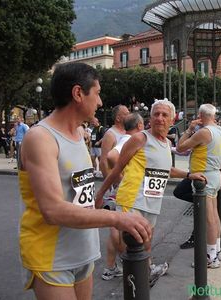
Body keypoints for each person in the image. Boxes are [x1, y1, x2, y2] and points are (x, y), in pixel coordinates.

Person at [18, 62, 151, 299]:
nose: (100, 102)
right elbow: (53, 210)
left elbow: (81, 189)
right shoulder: (40, 138)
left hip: (84, 253)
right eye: (97, 93)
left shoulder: (80, 134)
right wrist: (117, 217)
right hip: (52, 257)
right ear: (78, 93)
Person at [96, 99, 206, 279]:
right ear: (150, 118)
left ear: (172, 120)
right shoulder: (140, 138)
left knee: (146, 243)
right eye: (156, 114)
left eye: (164, 115)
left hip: (152, 200)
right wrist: (100, 194)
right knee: (132, 242)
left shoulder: (164, 143)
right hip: (133, 197)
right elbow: (117, 166)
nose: (160, 118)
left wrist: (188, 175)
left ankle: (144, 274)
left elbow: (166, 170)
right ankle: (135, 279)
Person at [177, 104, 221, 268]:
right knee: (215, 216)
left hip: (203, 177)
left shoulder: (203, 132)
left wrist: (188, 129)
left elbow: (180, 147)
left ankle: (210, 257)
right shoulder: (220, 131)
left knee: (209, 219)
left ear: (200, 115)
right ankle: (216, 250)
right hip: (215, 175)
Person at [101, 112, 145, 281]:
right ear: (139, 126)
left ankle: (110, 267)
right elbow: (111, 156)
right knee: (118, 228)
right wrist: (122, 177)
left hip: (120, 188)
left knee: (115, 226)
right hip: (125, 189)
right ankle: (132, 266)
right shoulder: (129, 140)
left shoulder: (124, 138)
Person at [99, 105, 129, 178]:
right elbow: (103, 163)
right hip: (117, 183)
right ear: (118, 118)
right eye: (126, 114)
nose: (129, 116)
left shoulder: (128, 132)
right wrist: (111, 185)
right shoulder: (110, 135)